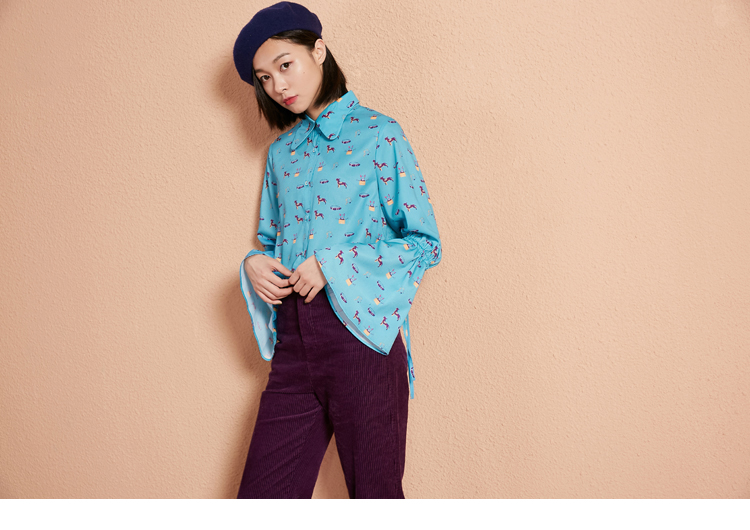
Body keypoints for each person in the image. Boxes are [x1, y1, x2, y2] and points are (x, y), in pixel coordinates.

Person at [232, 2, 442, 499]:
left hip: (361, 338)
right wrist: (253, 264)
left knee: (375, 497)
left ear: (319, 50)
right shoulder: (281, 154)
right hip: (293, 342)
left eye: (285, 64)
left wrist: (333, 264)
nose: (278, 86)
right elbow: (273, 243)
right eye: (265, 78)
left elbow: (424, 244)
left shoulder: (380, 134)